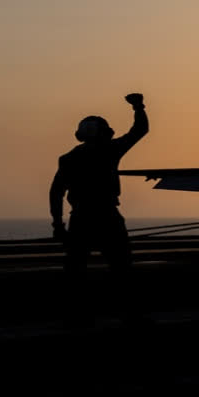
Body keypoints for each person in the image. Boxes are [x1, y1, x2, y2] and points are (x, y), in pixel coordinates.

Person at [50, 93, 149, 283]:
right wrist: (138, 107)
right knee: (122, 266)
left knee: (75, 267)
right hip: (107, 216)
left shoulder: (68, 159)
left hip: (80, 218)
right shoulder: (110, 150)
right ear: (101, 132)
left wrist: (57, 224)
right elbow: (139, 130)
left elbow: (56, 193)